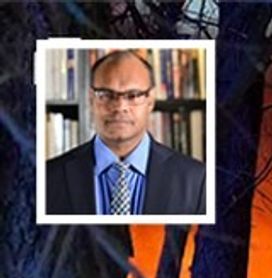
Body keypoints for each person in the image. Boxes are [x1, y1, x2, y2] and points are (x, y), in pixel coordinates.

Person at [46, 50, 206, 216]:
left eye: (133, 95)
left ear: (150, 100)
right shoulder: (48, 178)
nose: (120, 107)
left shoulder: (197, 180)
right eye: (107, 95)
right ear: (91, 99)